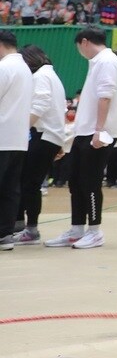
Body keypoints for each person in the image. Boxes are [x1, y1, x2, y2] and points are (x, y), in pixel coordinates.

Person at [46, 27, 117, 249]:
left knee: (90, 182)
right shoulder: (97, 62)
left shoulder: (107, 61)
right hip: (85, 132)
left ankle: (95, 231)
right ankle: (77, 229)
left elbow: (105, 96)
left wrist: (100, 130)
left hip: (98, 132)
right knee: (76, 181)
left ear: (84, 42)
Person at [10, 45, 65, 246]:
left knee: (30, 183)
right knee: (28, 181)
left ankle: (31, 229)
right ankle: (23, 225)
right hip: (49, 136)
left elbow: (40, 106)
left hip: (43, 135)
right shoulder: (51, 76)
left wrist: (20, 130)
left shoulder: (41, 77)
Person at [0, 31, 34, 252]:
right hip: (18, 139)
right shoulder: (25, 69)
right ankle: (5, 234)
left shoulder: (4, 67)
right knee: (10, 188)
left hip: (2, 137)